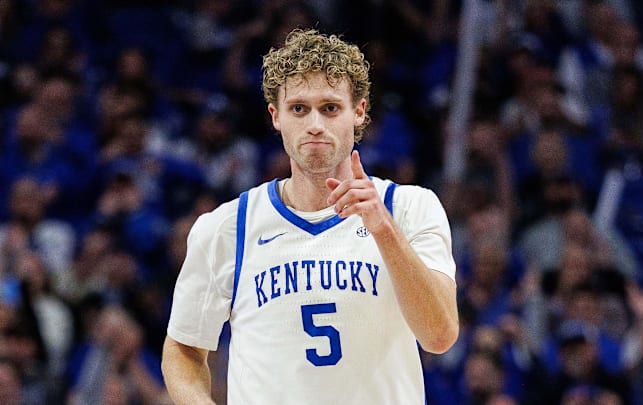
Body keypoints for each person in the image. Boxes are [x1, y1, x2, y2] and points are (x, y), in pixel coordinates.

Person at [161, 29, 459, 404]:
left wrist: (383, 230)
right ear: (276, 117)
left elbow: (440, 335)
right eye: (299, 108)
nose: (314, 123)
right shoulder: (226, 227)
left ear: (359, 112)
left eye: (330, 108)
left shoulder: (409, 208)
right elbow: (184, 350)